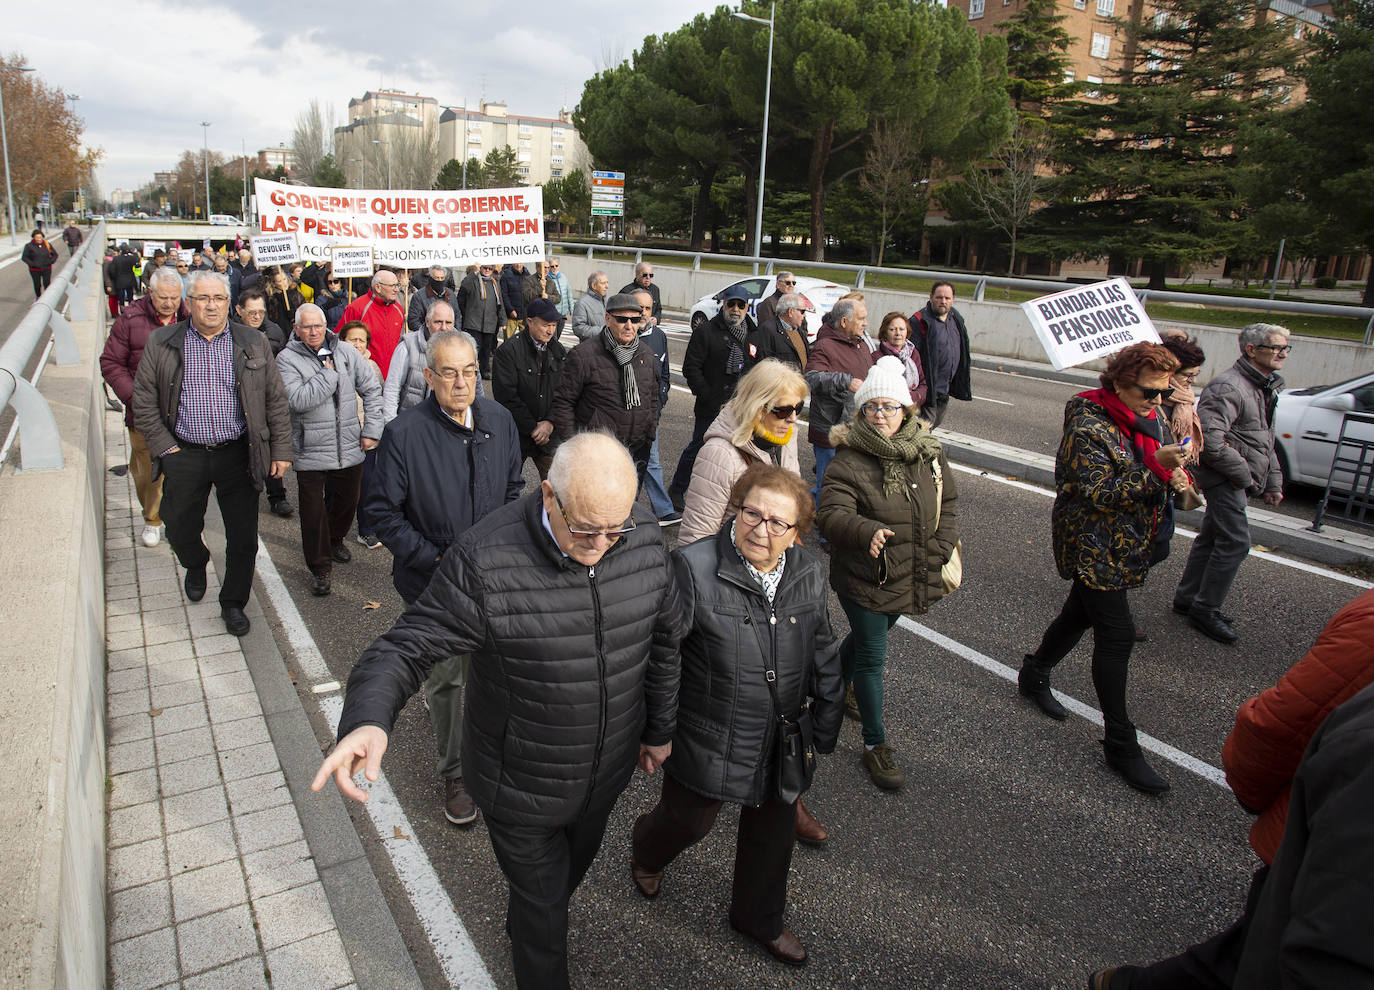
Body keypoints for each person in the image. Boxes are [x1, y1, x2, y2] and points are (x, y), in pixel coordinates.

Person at [313, 433, 686, 990]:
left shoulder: (638, 530)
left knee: (561, 885)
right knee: (545, 915)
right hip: (519, 784)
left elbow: (665, 636)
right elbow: (405, 646)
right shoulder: (484, 560)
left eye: (615, 529)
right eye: (586, 529)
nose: (603, 543)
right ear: (549, 495)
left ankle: (531, 915)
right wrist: (368, 718)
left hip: (605, 772)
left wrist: (659, 728)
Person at [1088, 587, 1374, 990]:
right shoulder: (1370, 628)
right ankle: (1118, 739)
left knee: (1233, 961)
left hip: (1321, 853)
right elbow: (1276, 728)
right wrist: (1254, 794)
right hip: (1322, 853)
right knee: (1113, 632)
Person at [630, 464, 842, 968]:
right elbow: (664, 655)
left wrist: (828, 717)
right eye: (752, 513)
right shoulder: (692, 567)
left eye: (777, 523)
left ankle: (758, 917)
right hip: (708, 731)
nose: (760, 530)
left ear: (795, 535)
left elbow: (823, 647)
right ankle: (647, 850)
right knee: (688, 821)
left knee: (772, 835)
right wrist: (656, 730)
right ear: (736, 508)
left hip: (780, 736)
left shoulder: (808, 572)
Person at [362, 329, 524, 826]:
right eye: (449, 372)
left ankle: (495, 757)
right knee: (449, 680)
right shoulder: (404, 434)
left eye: (470, 371)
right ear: (428, 376)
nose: (461, 382)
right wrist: (437, 560)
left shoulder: (499, 419)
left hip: (494, 583)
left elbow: (515, 489)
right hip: (434, 586)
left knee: (497, 673)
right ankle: (456, 773)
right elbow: (382, 514)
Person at [1017, 342, 1191, 794]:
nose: (1158, 402)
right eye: (1149, 392)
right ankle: (1121, 743)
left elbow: (1151, 465)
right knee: (1115, 635)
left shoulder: (1147, 417)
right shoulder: (1087, 422)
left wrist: (1178, 477)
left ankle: (1034, 673)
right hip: (1092, 542)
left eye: (1163, 393)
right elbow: (1099, 491)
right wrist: (1156, 469)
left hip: (1127, 539)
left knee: (1078, 614)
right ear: (1118, 382)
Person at [818, 357, 959, 791]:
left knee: (864, 643)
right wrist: (866, 532)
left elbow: (948, 505)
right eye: (873, 407)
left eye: (890, 407)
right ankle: (875, 744)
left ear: (906, 411)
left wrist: (936, 551)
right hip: (866, 574)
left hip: (915, 571)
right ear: (861, 412)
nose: (881, 415)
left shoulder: (928, 453)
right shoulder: (848, 459)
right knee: (873, 657)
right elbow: (831, 513)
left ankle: (828, 685)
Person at [130, 270, 292, 637]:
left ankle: (233, 602)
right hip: (184, 452)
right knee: (179, 525)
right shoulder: (163, 342)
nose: (211, 306)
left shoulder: (252, 341)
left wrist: (280, 449)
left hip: (238, 453)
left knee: (244, 538)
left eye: (218, 298)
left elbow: (275, 399)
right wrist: (166, 448)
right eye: (203, 299)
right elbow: (143, 400)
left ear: (228, 302)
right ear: (189, 303)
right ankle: (196, 561)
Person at [1173, 323, 1288, 645]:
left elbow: (1265, 438)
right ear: (1252, 349)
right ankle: (1205, 608)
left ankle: (1188, 598)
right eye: (1276, 347)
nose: (1282, 354)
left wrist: (1272, 479)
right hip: (1224, 476)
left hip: (1237, 474)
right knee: (1236, 542)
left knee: (1212, 537)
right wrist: (1246, 476)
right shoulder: (1229, 387)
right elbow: (1209, 440)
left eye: (1285, 348)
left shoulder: (1265, 386)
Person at [275, 304, 383, 597]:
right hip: (310, 447)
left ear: (327, 326)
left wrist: (372, 429)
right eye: (307, 327)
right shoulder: (286, 359)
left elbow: (372, 389)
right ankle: (320, 567)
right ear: (296, 329)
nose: (313, 332)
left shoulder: (346, 352)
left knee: (347, 501)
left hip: (349, 443)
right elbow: (297, 400)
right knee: (312, 512)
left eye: (318, 326)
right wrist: (328, 376)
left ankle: (335, 539)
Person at [100, 267, 189, 548]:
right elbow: (111, 363)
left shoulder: (191, 318)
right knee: (147, 472)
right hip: (144, 414)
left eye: (175, 297)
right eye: (163, 297)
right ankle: (152, 519)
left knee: (186, 471)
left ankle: (181, 520)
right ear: (150, 293)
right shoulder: (130, 319)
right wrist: (135, 399)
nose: (169, 303)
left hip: (185, 413)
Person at [548, 293, 660, 478]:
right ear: (608, 319)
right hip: (594, 454)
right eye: (622, 319)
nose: (629, 326)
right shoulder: (582, 356)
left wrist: (649, 434)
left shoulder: (646, 355)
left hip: (635, 452)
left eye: (635, 319)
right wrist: (576, 446)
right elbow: (563, 403)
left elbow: (653, 398)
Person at [669, 285, 756, 509]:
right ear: (723, 305)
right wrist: (708, 396)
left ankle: (730, 496)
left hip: (742, 406)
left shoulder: (753, 333)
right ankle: (677, 489)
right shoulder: (706, 332)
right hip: (712, 405)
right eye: (731, 304)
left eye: (741, 305)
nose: (735, 310)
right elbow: (691, 368)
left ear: (747, 308)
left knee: (740, 452)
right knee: (698, 447)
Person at [804, 297, 874, 508]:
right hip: (830, 430)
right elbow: (811, 377)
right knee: (828, 483)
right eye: (861, 319)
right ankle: (824, 531)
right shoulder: (825, 346)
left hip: (856, 427)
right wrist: (846, 381)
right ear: (844, 322)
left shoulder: (861, 345)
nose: (865, 323)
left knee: (849, 483)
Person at [233, 287, 294, 519]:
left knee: (269, 445)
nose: (257, 316)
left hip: (267, 395)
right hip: (243, 401)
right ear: (239, 311)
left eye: (261, 312)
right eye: (252, 312)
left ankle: (277, 496)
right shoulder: (230, 334)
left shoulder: (273, 332)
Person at [492, 297, 567, 480]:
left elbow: (564, 393)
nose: (550, 331)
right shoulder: (508, 351)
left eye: (553, 325)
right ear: (530, 322)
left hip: (550, 435)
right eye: (545, 325)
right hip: (517, 433)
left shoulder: (558, 351)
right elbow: (506, 396)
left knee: (558, 492)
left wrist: (549, 422)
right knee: (506, 487)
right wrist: (533, 428)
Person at [630, 287, 680, 525]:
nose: (642, 313)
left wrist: (659, 404)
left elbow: (665, 375)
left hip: (651, 414)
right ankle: (625, 509)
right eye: (638, 307)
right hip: (626, 416)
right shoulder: (621, 335)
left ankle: (662, 510)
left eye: (647, 308)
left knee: (651, 461)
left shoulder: (659, 336)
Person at [382, 300, 458, 423]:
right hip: (412, 424)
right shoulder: (407, 347)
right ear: (427, 322)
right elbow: (392, 389)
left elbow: (475, 390)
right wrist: (391, 424)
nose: (444, 328)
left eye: (448, 323)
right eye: (438, 322)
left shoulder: (463, 348)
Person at [909, 281, 972, 427]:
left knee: (933, 425)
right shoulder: (919, 321)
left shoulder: (955, 319)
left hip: (945, 390)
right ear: (931, 297)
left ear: (953, 299)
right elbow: (910, 356)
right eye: (939, 297)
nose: (943, 301)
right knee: (922, 430)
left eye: (947, 298)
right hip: (927, 391)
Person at [340, 270, 406, 379]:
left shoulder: (398, 309)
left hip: (393, 376)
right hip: (365, 376)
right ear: (378, 287)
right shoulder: (357, 308)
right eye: (392, 286)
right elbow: (341, 340)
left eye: (397, 285)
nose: (396, 289)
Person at [457, 263, 502, 378]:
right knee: (474, 347)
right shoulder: (473, 281)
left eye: (490, 269)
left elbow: (500, 303)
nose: (487, 270)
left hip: (490, 322)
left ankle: (485, 370)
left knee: (486, 348)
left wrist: (503, 320)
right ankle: (471, 369)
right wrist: (474, 272)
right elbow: (464, 287)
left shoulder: (495, 283)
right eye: (485, 268)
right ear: (480, 268)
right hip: (473, 321)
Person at [874, 312, 927, 411]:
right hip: (888, 410)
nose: (898, 333)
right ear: (885, 333)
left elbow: (922, 383)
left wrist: (914, 397)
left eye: (902, 329)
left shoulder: (913, 353)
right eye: (892, 329)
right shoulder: (877, 357)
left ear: (907, 332)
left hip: (912, 407)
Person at [747, 291, 810, 373]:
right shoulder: (767, 330)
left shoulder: (798, 330)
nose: (804, 315)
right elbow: (764, 364)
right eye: (802, 311)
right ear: (790, 312)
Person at [407, 264, 457, 336]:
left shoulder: (451, 295)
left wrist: (454, 333)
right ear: (431, 278)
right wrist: (427, 333)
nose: (439, 281)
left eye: (442, 278)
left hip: (449, 338)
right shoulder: (419, 296)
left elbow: (457, 316)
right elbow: (413, 321)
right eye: (436, 278)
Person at [265, 267, 305, 338]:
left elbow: (303, 311)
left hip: (297, 330)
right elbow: (272, 317)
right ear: (274, 283)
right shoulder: (272, 298)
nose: (284, 283)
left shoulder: (296, 293)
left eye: (284, 279)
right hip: (281, 331)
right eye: (280, 281)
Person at [21, 229, 60, 299]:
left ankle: (47, 298)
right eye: (37, 237)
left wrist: (50, 262)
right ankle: (38, 297)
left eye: (40, 237)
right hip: (34, 269)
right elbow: (24, 257)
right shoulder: (29, 246)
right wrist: (32, 264)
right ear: (33, 237)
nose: (39, 239)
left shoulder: (47, 244)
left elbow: (55, 255)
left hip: (47, 268)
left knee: (47, 283)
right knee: (37, 284)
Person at [571, 271, 609, 341]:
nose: (607, 286)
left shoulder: (608, 300)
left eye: (607, 282)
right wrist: (605, 331)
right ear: (594, 285)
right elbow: (578, 329)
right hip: (591, 347)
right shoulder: (582, 303)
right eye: (603, 283)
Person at [521, 260, 561, 326]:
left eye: (548, 268)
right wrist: (540, 286)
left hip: (548, 318)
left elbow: (558, 298)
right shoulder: (528, 280)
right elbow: (527, 296)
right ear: (537, 267)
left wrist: (548, 297)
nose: (547, 270)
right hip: (533, 318)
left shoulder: (550, 281)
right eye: (544, 267)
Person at [499, 261, 528, 339]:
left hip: (524, 315)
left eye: (520, 262)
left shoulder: (528, 275)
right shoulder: (506, 276)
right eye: (516, 263)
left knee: (525, 340)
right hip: (511, 316)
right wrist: (510, 310)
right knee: (508, 340)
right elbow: (504, 295)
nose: (518, 265)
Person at [546, 256, 572, 339]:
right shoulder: (546, 279)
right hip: (552, 313)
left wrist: (572, 309)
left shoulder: (564, 277)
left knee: (558, 335)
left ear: (559, 266)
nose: (554, 268)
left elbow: (569, 294)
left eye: (556, 266)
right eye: (552, 266)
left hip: (563, 313)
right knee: (553, 337)